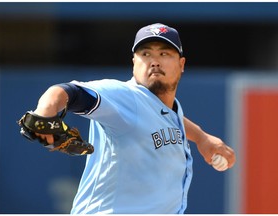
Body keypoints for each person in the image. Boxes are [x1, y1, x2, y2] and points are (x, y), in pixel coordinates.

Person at [32, 23, 236, 214]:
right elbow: (68, 91)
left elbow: (163, 117)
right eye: (146, 54)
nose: (154, 61)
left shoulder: (166, 108)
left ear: (181, 64)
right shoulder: (124, 96)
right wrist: (45, 112)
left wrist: (201, 137)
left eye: (164, 53)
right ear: (133, 64)